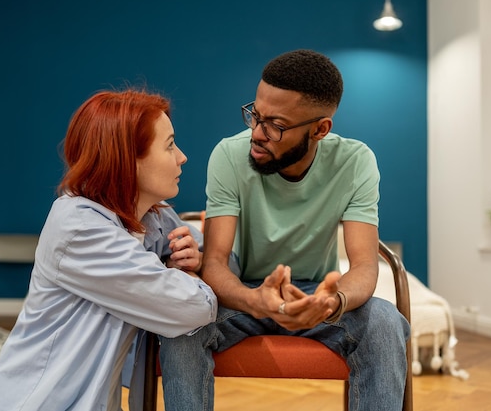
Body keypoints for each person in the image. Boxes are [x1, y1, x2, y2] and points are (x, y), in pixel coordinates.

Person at [158, 49, 410, 411]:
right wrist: (255, 300)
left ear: (320, 129)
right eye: (255, 116)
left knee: (385, 321)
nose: (256, 134)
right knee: (183, 321)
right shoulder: (229, 155)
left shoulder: (355, 162)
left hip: (317, 297)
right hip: (242, 292)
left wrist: (332, 302)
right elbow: (213, 263)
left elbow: (365, 267)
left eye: (275, 125)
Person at [0, 88, 217, 411]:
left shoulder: (149, 216)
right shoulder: (79, 228)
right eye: (170, 145)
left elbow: (203, 242)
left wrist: (199, 254)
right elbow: (195, 307)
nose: (182, 157)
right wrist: (186, 273)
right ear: (127, 160)